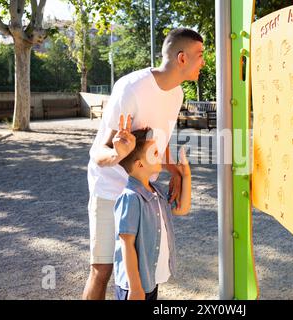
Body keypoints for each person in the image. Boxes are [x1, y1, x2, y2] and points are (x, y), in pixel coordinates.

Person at [83, 28, 205, 300]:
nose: (204, 62)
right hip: (108, 188)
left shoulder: (177, 95)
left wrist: (174, 170)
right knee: (102, 270)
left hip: (142, 192)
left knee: (141, 273)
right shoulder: (131, 88)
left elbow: (159, 142)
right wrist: (117, 155)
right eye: (200, 55)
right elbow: (98, 152)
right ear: (182, 58)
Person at [114, 128, 191, 300]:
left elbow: (182, 209)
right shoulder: (130, 197)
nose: (160, 156)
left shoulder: (156, 192)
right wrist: (135, 288)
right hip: (134, 287)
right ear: (140, 164)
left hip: (149, 281)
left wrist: (186, 176)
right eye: (155, 153)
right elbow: (127, 245)